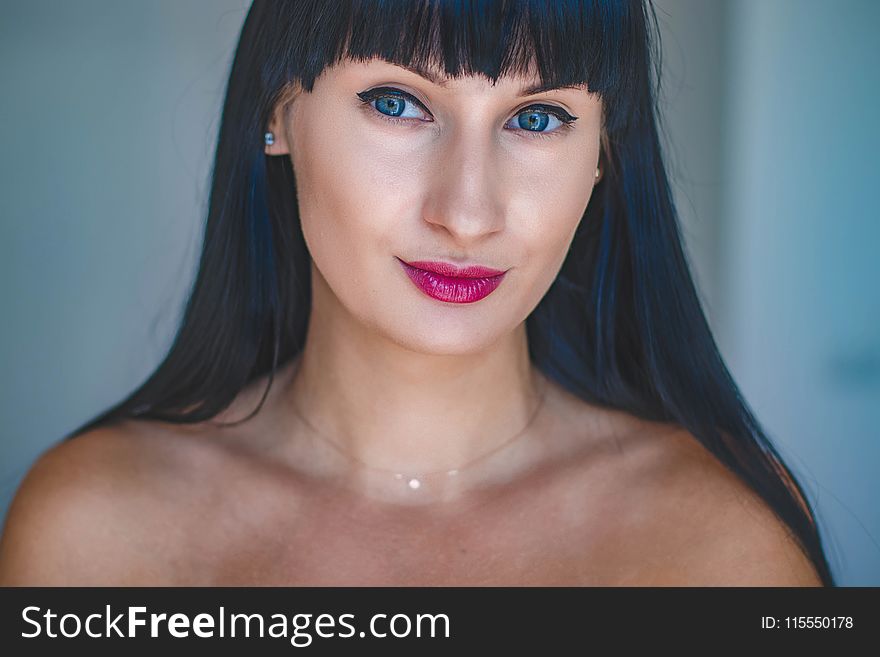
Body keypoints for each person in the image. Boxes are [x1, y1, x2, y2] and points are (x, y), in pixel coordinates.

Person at [0, 0, 834, 585]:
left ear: (606, 151)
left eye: (536, 117)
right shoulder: (90, 530)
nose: (466, 213)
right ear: (278, 111)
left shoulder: (728, 532)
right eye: (396, 102)